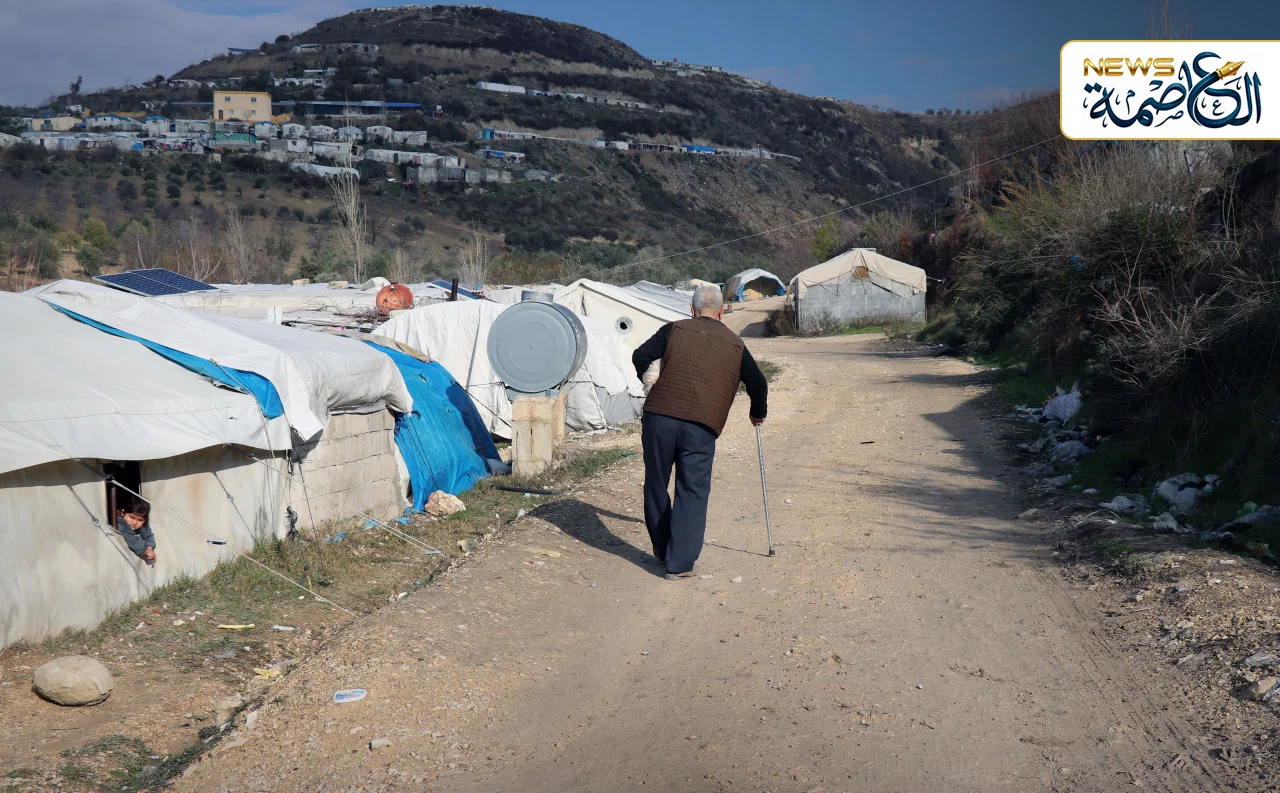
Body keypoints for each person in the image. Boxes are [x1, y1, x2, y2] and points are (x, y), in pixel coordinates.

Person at [631, 284, 768, 580]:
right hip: (700, 426)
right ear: (722, 311)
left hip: (658, 419)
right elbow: (758, 383)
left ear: (691, 310)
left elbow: (640, 355)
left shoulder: (674, 329)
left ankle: (662, 548)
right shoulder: (735, 344)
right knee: (692, 489)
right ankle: (679, 563)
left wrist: (650, 379)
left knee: (656, 482)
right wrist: (757, 413)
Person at [115, 496, 157, 565]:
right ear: (122, 512)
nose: (135, 523)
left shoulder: (143, 525)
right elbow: (129, 537)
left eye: (140, 520)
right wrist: (146, 550)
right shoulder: (119, 522)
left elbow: (149, 535)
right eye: (132, 517)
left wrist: (150, 547)